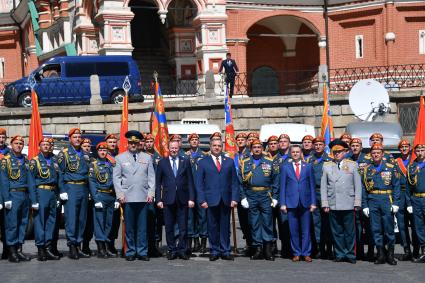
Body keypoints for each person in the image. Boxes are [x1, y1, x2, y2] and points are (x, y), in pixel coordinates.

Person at [113, 131, 155, 261]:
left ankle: (142, 251)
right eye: (130, 143)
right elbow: (116, 178)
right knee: (130, 227)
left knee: (142, 227)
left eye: (135, 143)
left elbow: (151, 178)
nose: (133, 145)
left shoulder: (147, 157)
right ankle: (130, 251)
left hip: (143, 197)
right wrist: (120, 194)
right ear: (128, 144)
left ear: (139, 143)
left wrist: (151, 193)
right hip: (128, 197)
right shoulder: (120, 158)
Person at [195, 139, 239, 261]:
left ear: (222, 147)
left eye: (219, 146)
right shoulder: (203, 162)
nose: (217, 148)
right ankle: (214, 250)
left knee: (225, 226)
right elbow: (199, 184)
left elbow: (234, 182)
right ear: (210, 147)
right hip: (210, 200)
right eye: (214, 145)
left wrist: (235, 198)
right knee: (212, 226)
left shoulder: (229, 162)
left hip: (226, 199)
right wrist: (202, 200)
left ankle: (225, 250)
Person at [321, 139, 362, 264]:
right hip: (334, 203)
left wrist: (357, 202)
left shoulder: (352, 165)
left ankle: (350, 254)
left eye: (339, 151)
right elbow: (323, 186)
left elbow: (358, 185)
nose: (337, 154)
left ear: (345, 152)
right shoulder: (327, 166)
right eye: (335, 152)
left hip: (348, 203)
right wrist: (325, 203)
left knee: (349, 231)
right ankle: (339, 253)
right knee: (336, 231)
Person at [239, 139, 279, 261]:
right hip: (251, 195)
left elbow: (275, 180)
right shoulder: (245, 163)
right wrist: (243, 197)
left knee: (267, 222)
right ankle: (257, 249)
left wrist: (275, 197)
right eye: (254, 147)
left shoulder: (269, 161)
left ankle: (268, 249)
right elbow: (241, 182)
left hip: (265, 195)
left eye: (259, 147)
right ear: (251, 149)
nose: (257, 149)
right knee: (254, 222)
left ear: (262, 148)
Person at [156, 140, 195, 260]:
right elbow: (158, 183)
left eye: (176, 148)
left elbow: (190, 181)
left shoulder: (185, 161)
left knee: (183, 227)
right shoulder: (162, 163)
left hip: (183, 199)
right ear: (168, 148)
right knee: (169, 227)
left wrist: (191, 198)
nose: (174, 150)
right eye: (172, 148)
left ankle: (182, 250)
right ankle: (172, 249)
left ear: (179, 149)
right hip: (168, 199)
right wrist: (158, 199)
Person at [362, 143, 400, 265]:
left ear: (382, 154)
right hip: (372, 200)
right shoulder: (367, 169)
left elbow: (396, 186)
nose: (376, 154)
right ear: (371, 155)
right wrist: (365, 205)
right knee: (376, 229)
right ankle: (380, 254)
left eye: (378, 153)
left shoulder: (391, 167)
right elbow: (363, 188)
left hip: (386, 199)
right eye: (373, 153)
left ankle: (390, 255)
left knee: (389, 229)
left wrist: (396, 203)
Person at [58, 128, 91, 259]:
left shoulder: (85, 154)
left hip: (83, 188)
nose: (78, 139)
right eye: (75, 136)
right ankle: (72, 246)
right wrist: (62, 190)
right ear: (70, 138)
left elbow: (89, 174)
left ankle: (78, 244)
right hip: (70, 188)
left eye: (79, 136)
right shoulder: (64, 154)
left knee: (82, 219)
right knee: (71, 219)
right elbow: (60, 173)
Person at [280, 145, 316, 262]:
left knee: (306, 230)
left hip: (305, 202)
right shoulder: (285, 167)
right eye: (293, 152)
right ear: (290, 153)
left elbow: (312, 186)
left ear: (301, 153)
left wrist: (313, 202)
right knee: (293, 230)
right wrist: (283, 203)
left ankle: (306, 253)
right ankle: (296, 252)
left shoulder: (308, 166)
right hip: (291, 202)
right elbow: (283, 187)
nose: (295, 154)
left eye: (297, 152)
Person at [28, 137, 61, 261]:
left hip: (52, 192)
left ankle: (48, 248)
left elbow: (58, 179)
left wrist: (58, 196)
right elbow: (31, 182)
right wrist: (34, 200)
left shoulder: (54, 160)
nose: (46, 146)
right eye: (43, 144)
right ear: (39, 146)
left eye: (48, 144)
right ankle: (41, 249)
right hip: (41, 192)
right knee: (40, 222)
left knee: (51, 222)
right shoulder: (34, 161)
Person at [0, 135, 31, 263]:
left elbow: (30, 179)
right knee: (12, 225)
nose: (19, 145)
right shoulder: (5, 160)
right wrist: (6, 198)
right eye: (16, 143)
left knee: (23, 223)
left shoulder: (26, 159)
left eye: (21, 143)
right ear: (11, 145)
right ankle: (11, 251)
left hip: (24, 195)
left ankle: (19, 249)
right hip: (12, 195)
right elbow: (4, 180)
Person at [88, 142, 120, 258]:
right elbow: (92, 183)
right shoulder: (94, 165)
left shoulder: (112, 165)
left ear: (107, 152)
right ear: (97, 151)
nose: (103, 152)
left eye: (105, 150)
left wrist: (117, 198)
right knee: (99, 222)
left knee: (109, 223)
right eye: (100, 150)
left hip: (111, 196)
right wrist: (96, 200)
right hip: (100, 196)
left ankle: (106, 245)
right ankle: (100, 247)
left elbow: (117, 181)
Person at [349, 137, 373, 261]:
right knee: (356, 225)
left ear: (361, 147)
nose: (355, 147)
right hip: (353, 197)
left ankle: (370, 251)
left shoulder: (368, 159)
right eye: (352, 145)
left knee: (368, 225)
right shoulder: (347, 160)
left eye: (357, 145)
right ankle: (359, 251)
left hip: (367, 196)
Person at [308, 136, 333, 259]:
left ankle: (329, 247)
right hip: (313, 193)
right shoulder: (310, 161)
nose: (318, 146)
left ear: (324, 146)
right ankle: (318, 247)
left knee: (327, 221)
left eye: (320, 144)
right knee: (315, 222)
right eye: (316, 144)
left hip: (327, 194)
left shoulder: (330, 160)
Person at [185, 133, 208, 255]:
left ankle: (203, 242)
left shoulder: (204, 156)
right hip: (189, 191)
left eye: (196, 140)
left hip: (201, 191)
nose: (194, 141)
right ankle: (193, 242)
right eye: (192, 140)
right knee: (190, 218)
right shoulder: (185, 156)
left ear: (198, 142)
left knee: (202, 217)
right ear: (189, 142)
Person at [395, 139, 414, 261]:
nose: (404, 148)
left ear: (410, 147)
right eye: (402, 147)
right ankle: (406, 250)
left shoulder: (415, 161)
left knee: (416, 224)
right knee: (402, 225)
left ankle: (417, 249)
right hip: (400, 194)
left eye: (406, 146)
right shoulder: (396, 162)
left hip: (413, 194)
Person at [234, 132, 252, 256]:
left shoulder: (249, 155)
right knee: (243, 220)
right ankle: (248, 243)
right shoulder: (234, 155)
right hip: (237, 191)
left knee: (250, 220)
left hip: (248, 192)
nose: (240, 141)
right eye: (238, 139)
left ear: (246, 141)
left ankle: (252, 244)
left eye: (242, 139)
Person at [407, 144, 425, 263]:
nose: (420, 152)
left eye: (422, 150)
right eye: (417, 150)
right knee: (418, 227)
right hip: (416, 200)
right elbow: (408, 187)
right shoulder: (411, 167)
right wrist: (409, 203)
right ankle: (424, 252)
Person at [105, 134, 120, 257]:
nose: (112, 144)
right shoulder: (103, 156)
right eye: (110, 142)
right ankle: (105, 245)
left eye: (114, 142)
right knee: (106, 221)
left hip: (117, 192)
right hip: (107, 192)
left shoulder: (119, 156)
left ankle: (112, 244)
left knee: (115, 221)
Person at [81, 138, 94, 256]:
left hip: (92, 195)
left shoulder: (93, 160)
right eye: (84, 145)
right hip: (82, 192)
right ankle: (78, 245)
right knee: (81, 221)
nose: (87, 147)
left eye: (89, 146)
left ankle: (86, 245)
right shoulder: (79, 158)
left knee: (90, 223)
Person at [0, 128, 10, 260]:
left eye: (3, 137)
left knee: (7, 223)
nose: (1, 139)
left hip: (6, 193)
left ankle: (7, 250)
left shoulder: (9, 153)